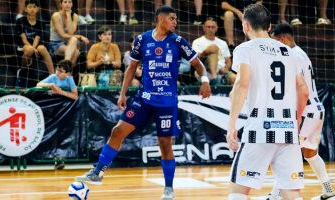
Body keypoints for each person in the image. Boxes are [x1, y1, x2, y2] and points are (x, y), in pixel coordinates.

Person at [75, 5, 211, 200]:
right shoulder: (142, 39)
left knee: (165, 145)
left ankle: (168, 189)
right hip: (144, 99)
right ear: (161, 19)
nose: (175, 22)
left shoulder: (178, 41)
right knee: (117, 131)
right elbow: (131, 68)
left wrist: (205, 81)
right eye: (172, 18)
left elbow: (198, 65)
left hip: (166, 103)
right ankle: (98, 172)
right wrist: (123, 94)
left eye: (175, 19)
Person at [226, 4, 309, 200]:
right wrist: (294, 122)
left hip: (259, 130)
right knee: (292, 194)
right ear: (270, 26)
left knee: (238, 192)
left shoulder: (245, 49)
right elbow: (303, 91)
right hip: (287, 130)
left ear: (246, 26)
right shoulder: (289, 51)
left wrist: (231, 125)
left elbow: (242, 83)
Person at [270, 23, 335, 200]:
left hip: (306, 110)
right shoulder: (301, 53)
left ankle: (274, 196)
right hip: (317, 110)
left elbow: (301, 89)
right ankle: (328, 191)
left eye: (275, 41)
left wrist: (296, 114)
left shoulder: (292, 55)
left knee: (285, 152)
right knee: (310, 153)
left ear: (282, 39)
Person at [192, 17, 234, 85]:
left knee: (235, 78)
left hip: (221, 71)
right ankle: (215, 78)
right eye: (208, 27)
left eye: (213, 27)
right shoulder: (197, 42)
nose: (210, 29)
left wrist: (225, 68)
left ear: (216, 28)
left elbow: (228, 60)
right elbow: (195, 59)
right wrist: (206, 52)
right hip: (204, 71)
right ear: (204, 28)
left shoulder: (223, 43)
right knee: (213, 48)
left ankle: (216, 78)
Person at [16, 0, 54, 74]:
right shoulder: (20, 21)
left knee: (42, 48)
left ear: (38, 9)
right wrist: (33, 49)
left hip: (36, 45)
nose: (32, 9)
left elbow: (37, 38)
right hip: (24, 46)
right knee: (29, 49)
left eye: (34, 7)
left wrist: (34, 48)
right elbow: (24, 39)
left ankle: (52, 75)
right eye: (29, 7)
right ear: (25, 9)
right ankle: (22, 70)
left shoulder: (41, 23)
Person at [49, 0, 89, 65]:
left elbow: (71, 32)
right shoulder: (56, 16)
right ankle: (65, 66)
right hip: (55, 44)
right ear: (60, 4)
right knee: (74, 42)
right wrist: (80, 37)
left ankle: (67, 71)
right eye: (65, 2)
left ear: (72, 4)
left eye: (70, 2)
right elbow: (62, 35)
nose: (67, 4)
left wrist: (68, 16)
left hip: (67, 43)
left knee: (76, 51)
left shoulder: (75, 16)